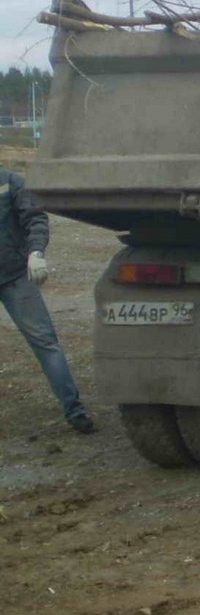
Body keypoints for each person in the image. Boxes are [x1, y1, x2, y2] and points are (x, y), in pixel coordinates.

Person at [0, 167, 93, 433]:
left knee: (45, 342)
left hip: (16, 276)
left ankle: (74, 411)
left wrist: (36, 251)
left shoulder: (9, 182)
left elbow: (34, 218)